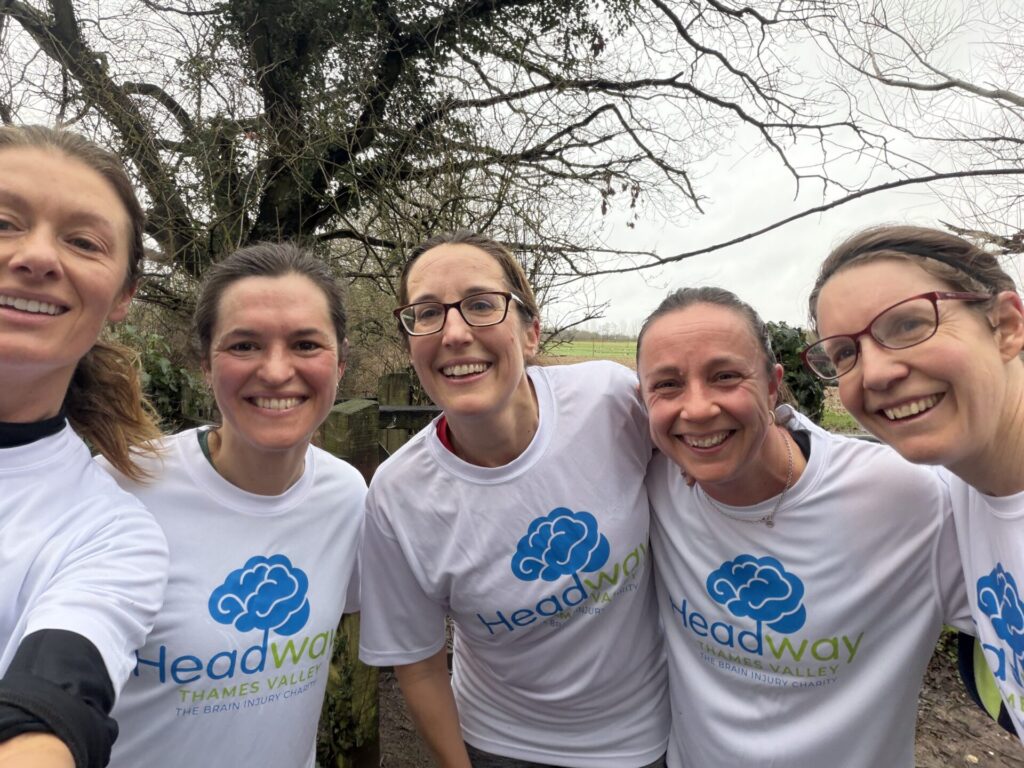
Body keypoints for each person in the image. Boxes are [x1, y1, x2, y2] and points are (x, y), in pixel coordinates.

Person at [359, 231, 668, 768]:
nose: (454, 333)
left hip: (650, 736)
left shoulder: (611, 401)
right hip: (501, 746)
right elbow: (420, 663)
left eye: (481, 304)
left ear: (531, 332)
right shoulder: (397, 495)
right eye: (427, 313)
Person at [636, 286, 970, 768]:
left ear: (773, 385)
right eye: (667, 385)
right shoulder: (654, 478)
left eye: (725, 376)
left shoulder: (900, 496)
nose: (698, 408)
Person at [99, 243, 366, 767]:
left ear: (341, 363)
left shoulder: (346, 496)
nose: (274, 371)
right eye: (244, 345)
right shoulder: (121, 487)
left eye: (306, 344)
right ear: (204, 363)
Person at [806, 225, 1024, 740]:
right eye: (845, 353)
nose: (875, 373)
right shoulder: (961, 489)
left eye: (908, 324)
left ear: (1007, 327)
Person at [0, 125, 169, 768]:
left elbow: (50, 705)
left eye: (83, 242)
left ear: (123, 294)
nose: (38, 256)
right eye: (4, 221)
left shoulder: (109, 531)